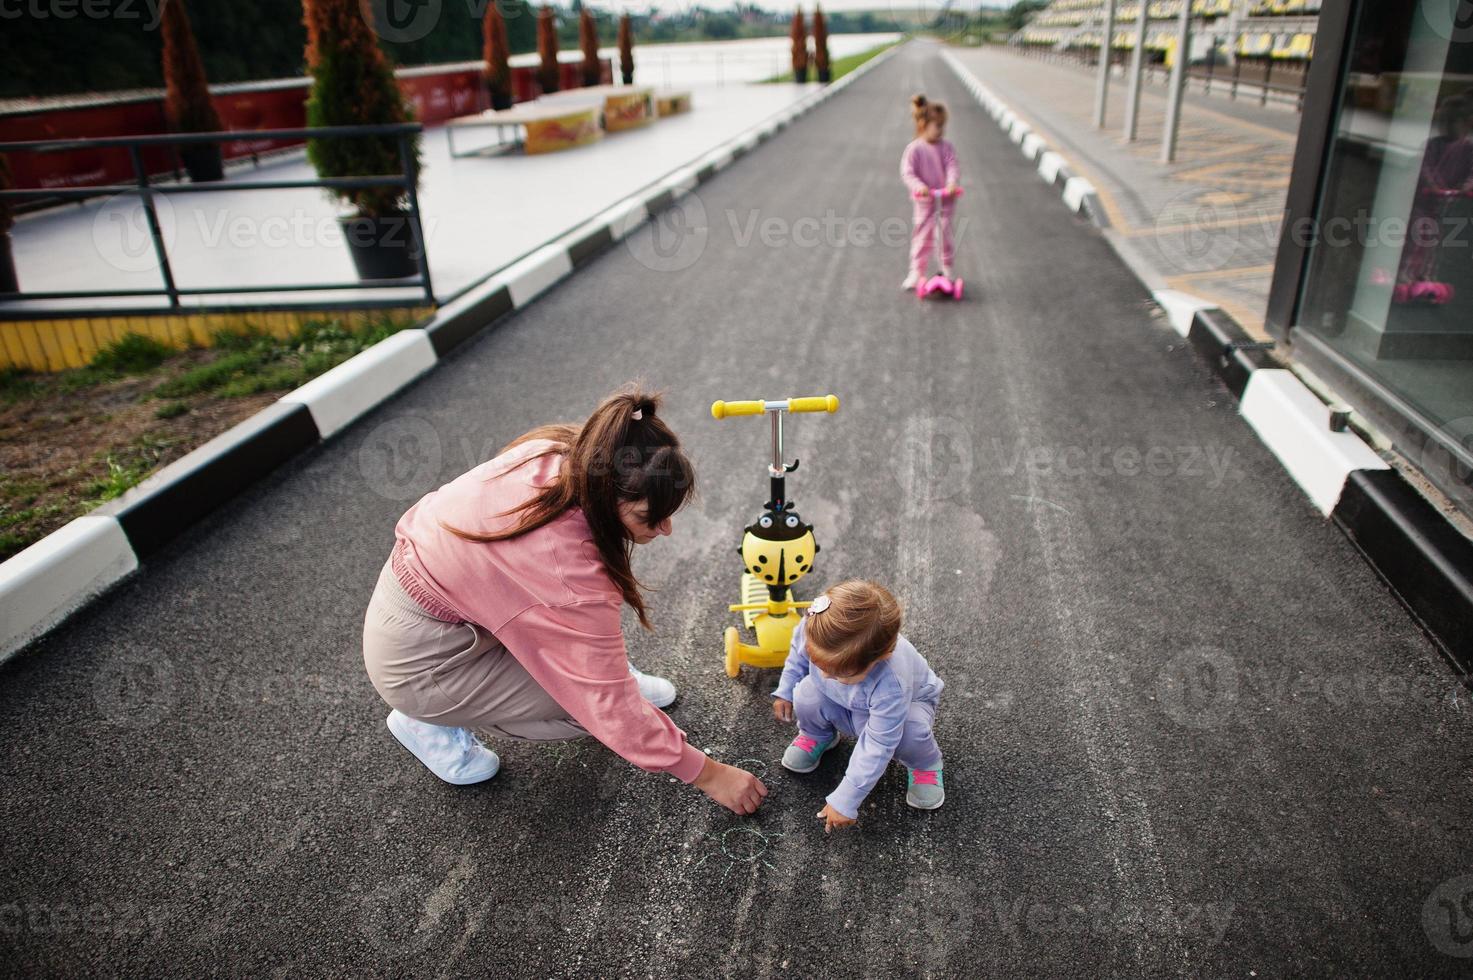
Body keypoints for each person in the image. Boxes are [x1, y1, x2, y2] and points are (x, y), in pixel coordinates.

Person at [362, 385, 768, 816]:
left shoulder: (567, 453)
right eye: (650, 517)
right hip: (420, 663)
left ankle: (592, 672)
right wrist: (710, 773)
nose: (665, 529)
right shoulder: (565, 574)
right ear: (610, 497)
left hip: (450, 613)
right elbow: (611, 710)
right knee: (584, 708)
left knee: (590, 675)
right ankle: (428, 720)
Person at [770, 581, 945, 831]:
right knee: (806, 692)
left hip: (907, 706)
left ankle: (925, 763)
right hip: (847, 701)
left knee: (909, 731)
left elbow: (878, 743)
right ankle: (818, 735)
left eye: (841, 672)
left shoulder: (892, 682)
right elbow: (798, 654)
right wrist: (786, 690)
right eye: (821, 666)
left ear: (881, 656)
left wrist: (846, 798)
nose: (827, 675)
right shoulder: (817, 626)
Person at [900, 93, 962, 291]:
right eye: (937, 126)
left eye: (943, 126)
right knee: (923, 234)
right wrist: (920, 187)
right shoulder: (914, 149)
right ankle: (916, 271)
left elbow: (952, 166)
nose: (941, 130)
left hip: (945, 198)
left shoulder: (946, 147)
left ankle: (947, 268)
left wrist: (952, 183)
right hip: (924, 200)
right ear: (923, 124)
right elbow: (907, 173)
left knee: (944, 232)